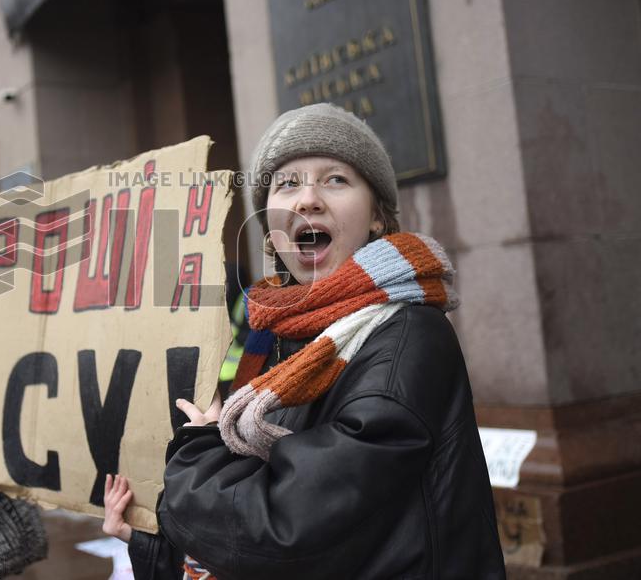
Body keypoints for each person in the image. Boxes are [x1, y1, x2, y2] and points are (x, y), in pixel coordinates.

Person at [103, 103, 505, 579]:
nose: (307, 199)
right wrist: (155, 545)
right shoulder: (272, 336)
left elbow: (290, 527)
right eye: (287, 183)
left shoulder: (406, 336)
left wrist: (197, 452)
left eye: (335, 179)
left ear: (377, 216)